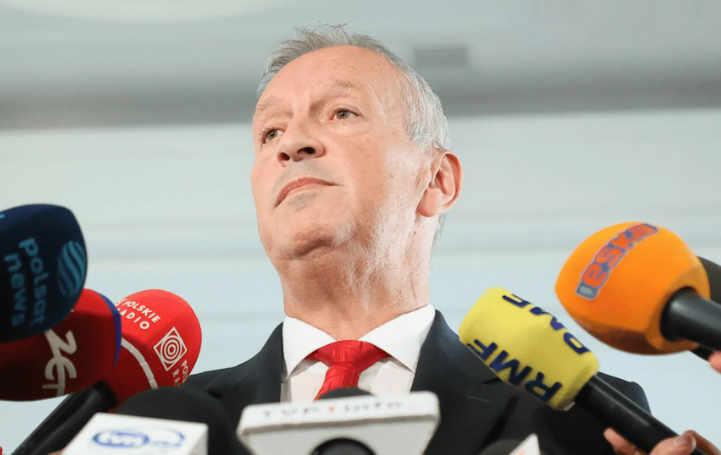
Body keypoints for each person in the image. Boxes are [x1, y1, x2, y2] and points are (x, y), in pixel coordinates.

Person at [179, 24, 717, 455]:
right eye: (270, 132)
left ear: (438, 181)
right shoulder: (167, 422)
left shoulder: (580, 420)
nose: (291, 142)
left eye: (342, 113)